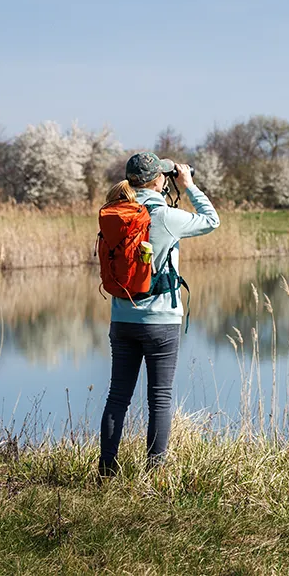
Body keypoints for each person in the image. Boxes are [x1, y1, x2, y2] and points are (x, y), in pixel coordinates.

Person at [98, 152, 220, 475]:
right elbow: (212, 220)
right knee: (160, 400)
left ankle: (106, 470)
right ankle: (154, 473)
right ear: (157, 180)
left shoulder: (115, 212)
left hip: (122, 319)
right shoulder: (166, 216)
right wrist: (189, 185)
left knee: (117, 397)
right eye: (163, 176)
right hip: (161, 323)